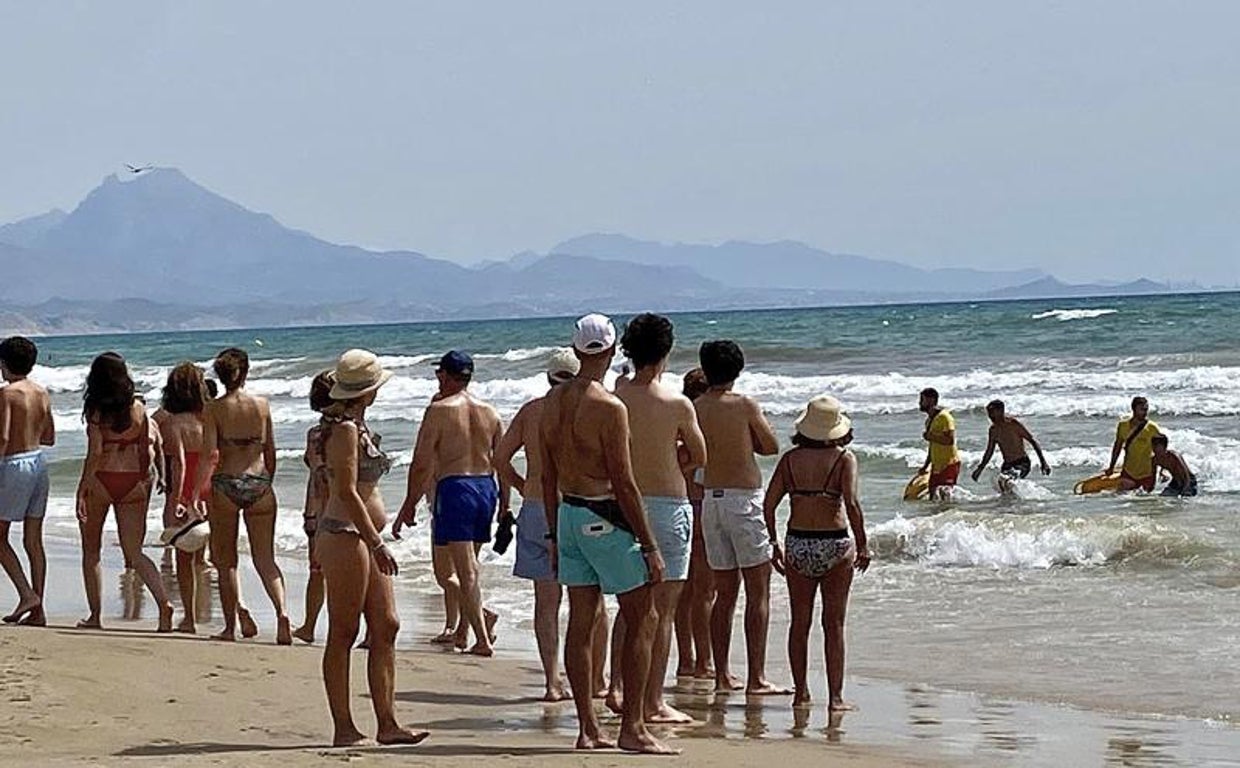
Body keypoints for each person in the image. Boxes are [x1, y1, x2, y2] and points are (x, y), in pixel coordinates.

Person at [537, 313, 673, 754]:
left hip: (568, 515)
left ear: (577, 352)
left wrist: (555, 534)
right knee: (643, 615)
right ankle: (632, 726)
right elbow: (625, 480)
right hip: (602, 514)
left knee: (581, 621)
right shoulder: (610, 407)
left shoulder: (552, 402)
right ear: (613, 351)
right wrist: (650, 543)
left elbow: (548, 473)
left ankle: (587, 728)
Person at [315, 349, 427, 747]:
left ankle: (387, 722)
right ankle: (344, 726)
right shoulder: (344, 430)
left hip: (361, 536)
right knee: (344, 631)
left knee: (387, 624)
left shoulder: (356, 426)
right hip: (346, 534)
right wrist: (376, 541)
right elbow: (344, 491)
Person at [605, 314, 707, 724]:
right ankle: (651, 700)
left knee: (628, 606)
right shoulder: (676, 403)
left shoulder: (615, 395)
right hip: (666, 503)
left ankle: (616, 686)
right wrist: (674, 459)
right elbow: (699, 456)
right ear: (665, 352)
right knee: (661, 612)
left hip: (623, 503)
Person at [494, 348, 610, 701]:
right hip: (580, 505)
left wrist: (521, 485)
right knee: (594, 598)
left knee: (546, 600)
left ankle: (551, 681)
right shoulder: (590, 409)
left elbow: (499, 457)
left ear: (547, 377)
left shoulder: (532, 411)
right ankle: (596, 680)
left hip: (535, 507)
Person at [764, 395, 870, 711]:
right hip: (835, 544)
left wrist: (773, 543)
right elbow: (850, 503)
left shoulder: (790, 460)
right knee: (833, 623)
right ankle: (835, 698)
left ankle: (801, 693)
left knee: (800, 621)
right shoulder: (844, 459)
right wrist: (863, 544)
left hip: (798, 542)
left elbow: (768, 505)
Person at [694, 340, 787, 695]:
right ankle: (756, 677)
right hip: (743, 499)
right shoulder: (744, 404)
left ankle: (721, 674)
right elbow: (770, 446)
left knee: (724, 593)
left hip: (711, 500)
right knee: (757, 591)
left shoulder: (696, 406)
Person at [394, 351, 503, 656]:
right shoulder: (491, 412)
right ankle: (463, 635)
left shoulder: (439, 411)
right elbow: (502, 461)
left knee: (460, 572)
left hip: (455, 487)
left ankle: (482, 634)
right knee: (471, 565)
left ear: (445, 375)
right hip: (485, 487)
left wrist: (409, 503)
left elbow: (421, 462)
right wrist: (505, 502)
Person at [193, 347, 290, 644]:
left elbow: (210, 453)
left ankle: (230, 627)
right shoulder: (262, 405)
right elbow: (270, 450)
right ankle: (282, 612)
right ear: (245, 372)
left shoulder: (214, 409)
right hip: (259, 481)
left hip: (226, 484)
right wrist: (267, 480)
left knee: (227, 561)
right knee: (265, 558)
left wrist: (198, 490)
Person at [76, 352, 174, 631]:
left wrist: (83, 486)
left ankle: (95, 616)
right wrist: (147, 477)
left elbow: (95, 452)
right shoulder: (139, 408)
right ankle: (164, 603)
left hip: (102, 480)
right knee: (135, 551)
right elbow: (147, 447)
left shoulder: (96, 410)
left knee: (91, 551)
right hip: (134, 481)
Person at [155, 361, 215, 633]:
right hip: (212, 488)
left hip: (187, 490)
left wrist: (177, 500)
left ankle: (189, 618)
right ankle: (238, 609)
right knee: (220, 558)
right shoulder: (210, 419)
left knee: (184, 558)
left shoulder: (174, 423)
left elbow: (178, 463)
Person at [0, 336, 55, 626]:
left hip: (12, 464)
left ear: (4, 363)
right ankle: (38, 609)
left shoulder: (7, 394)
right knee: (34, 540)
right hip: (37, 462)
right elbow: (50, 437)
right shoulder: (41, 392)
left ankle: (26, 593)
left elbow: (4, 438)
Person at [674, 367, 715, 680]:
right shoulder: (709, 432)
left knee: (684, 593)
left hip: (680, 506)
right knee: (704, 593)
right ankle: (704, 661)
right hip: (704, 507)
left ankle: (686, 659)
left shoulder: (680, 429)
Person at [293, 370, 334, 644]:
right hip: (347, 506)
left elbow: (317, 475)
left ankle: (310, 625)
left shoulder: (316, 435)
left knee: (318, 570)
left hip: (322, 507)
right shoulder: (358, 431)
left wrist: (310, 512)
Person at [970, 399, 1051, 484]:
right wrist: (980, 469)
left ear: (1000, 411)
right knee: (1001, 484)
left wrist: (1043, 462)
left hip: (1022, 463)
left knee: (1008, 481)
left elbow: (1032, 441)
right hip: (1007, 464)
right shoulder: (993, 430)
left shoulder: (1013, 424)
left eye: (992, 412)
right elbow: (989, 451)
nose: (990, 416)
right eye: (989, 413)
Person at [1106, 396, 1162, 493]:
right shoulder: (1123, 426)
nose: (1145, 412)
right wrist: (1111, 467)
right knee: (1123, 500)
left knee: (1144, 502)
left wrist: (1163, 470)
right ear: (1133, 409)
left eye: (1146, 409)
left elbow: (1161, 450)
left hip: (1147, 474)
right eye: (1142, 409)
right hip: (1128, 471)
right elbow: (1117, 448)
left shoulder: (1152, 428)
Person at [918, 388, 960, 500]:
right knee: (932, 496)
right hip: (936, 465)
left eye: (922, 399)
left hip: (949, 463)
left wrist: (931, 436)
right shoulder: (929, 421)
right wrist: (926, 466)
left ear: (931, 400)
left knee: (945, 494)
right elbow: (932, 446)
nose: (919, 403)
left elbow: (950, 440)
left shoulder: (944, 417)